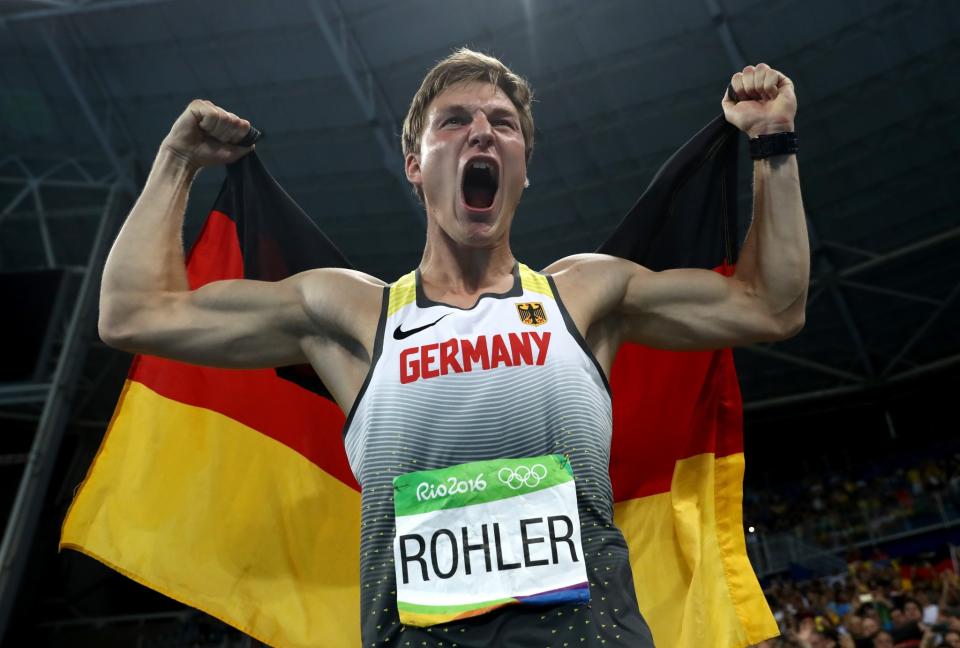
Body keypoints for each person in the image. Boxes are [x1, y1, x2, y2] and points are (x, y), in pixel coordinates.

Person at [98, 48, 808, 646]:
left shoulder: (583, 296)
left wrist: (773, 143)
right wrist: (176, 162)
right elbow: (135, 313)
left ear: (524, 165)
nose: (482, 133)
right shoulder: (353, 315)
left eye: (503, 124)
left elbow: (770, 305)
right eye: (455, 122)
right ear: (414, 162)